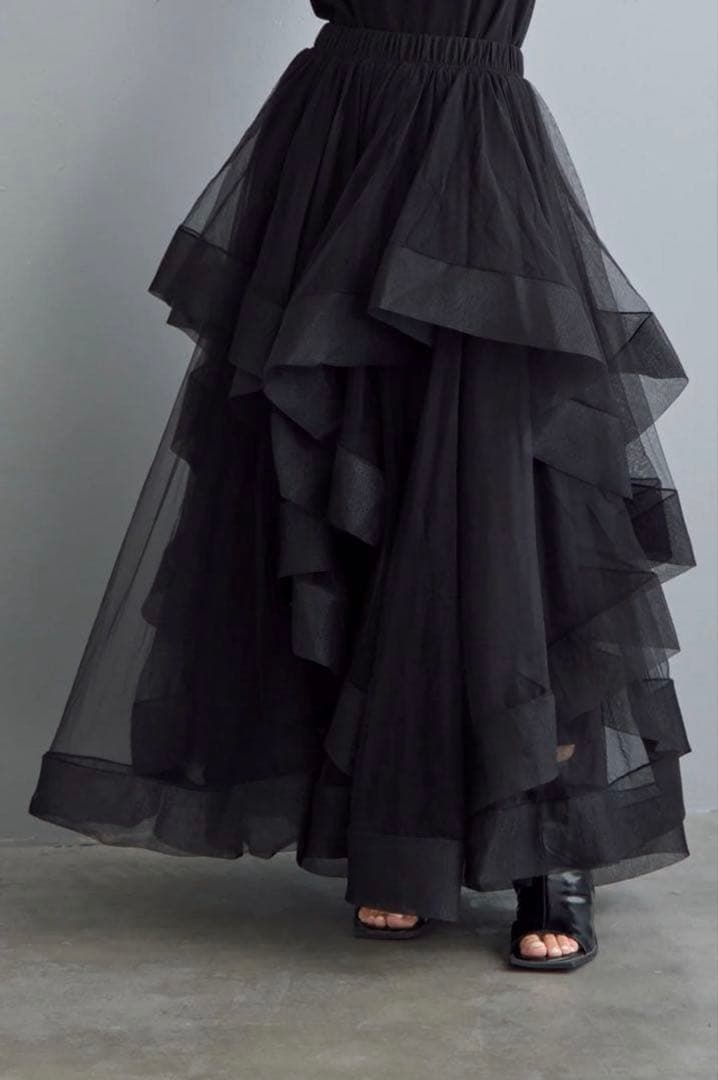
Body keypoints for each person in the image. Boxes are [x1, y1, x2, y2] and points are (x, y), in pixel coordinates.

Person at [29, 1, 696, 972]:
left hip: (469, 139)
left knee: (507, 498)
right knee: (356, 492)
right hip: (338, 135)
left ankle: (545, 851)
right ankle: (397, 835)